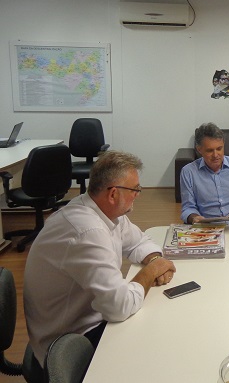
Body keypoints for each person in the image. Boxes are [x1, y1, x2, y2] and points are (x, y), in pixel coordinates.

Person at [24, 151, 177, 365]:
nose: (138, 194)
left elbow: (139, 241)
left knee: (158, 322)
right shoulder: (87, 230)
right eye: (135, 189)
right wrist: (151, 271)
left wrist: (153, 260)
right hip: (66, 345)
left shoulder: (102, 210)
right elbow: (119, 306)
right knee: (158, 346)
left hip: (86, 319)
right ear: (113, 194)